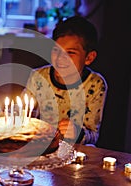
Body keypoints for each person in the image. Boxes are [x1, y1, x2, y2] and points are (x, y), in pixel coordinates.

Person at [24, 16, 107, 145]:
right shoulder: (38, 77)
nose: (60, 58)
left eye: (70, 53)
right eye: (56, 50)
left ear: (89, 58)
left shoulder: (95, 85)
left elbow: (93, 136)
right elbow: (22, 114)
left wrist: (77, 133)